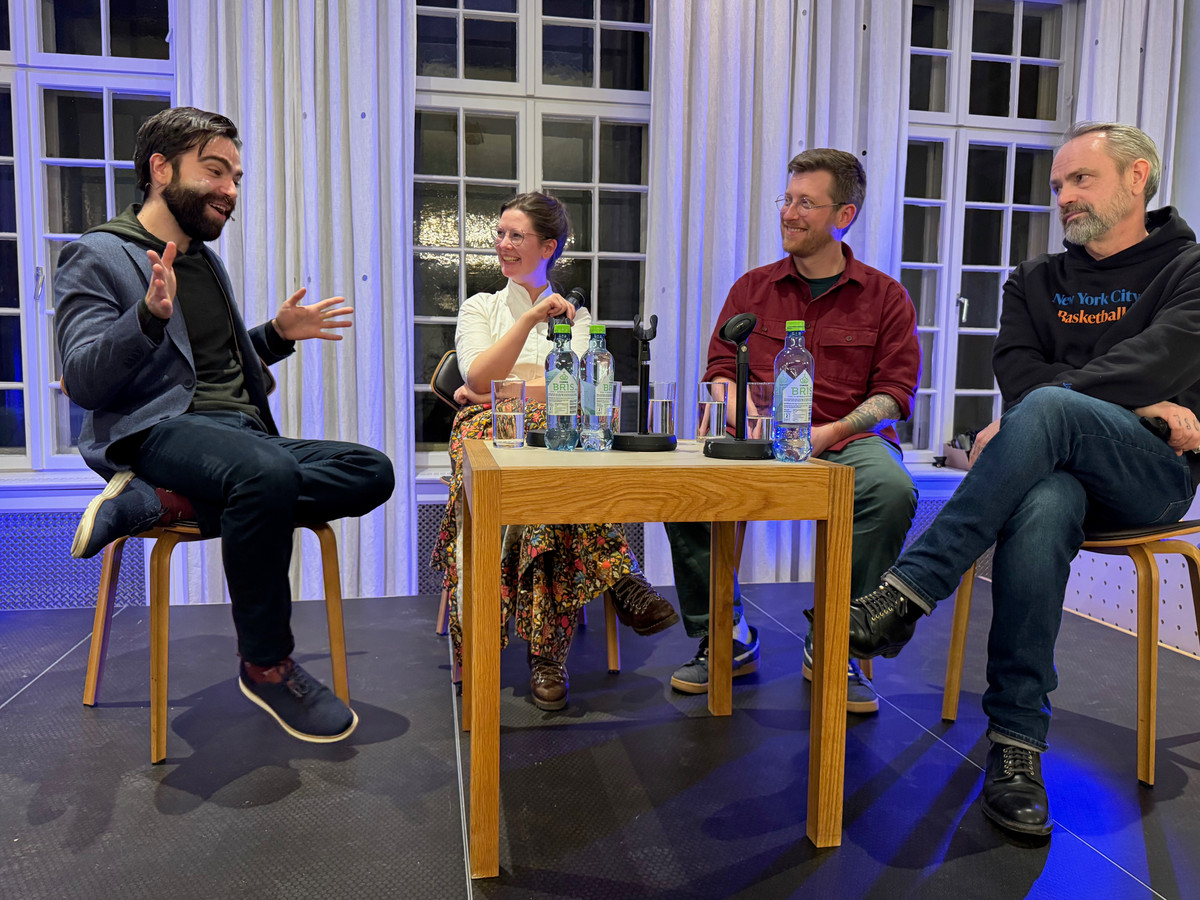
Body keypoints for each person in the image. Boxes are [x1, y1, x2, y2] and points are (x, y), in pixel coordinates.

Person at [844, 122, 1200, 838]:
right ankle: (1016, 748)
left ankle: (909, 590)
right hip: (1051, 471)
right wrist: (1132, 402)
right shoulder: (1035, 280)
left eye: (1080, 179)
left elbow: (1158, 359)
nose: (1063, 196)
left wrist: (1077, 403)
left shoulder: (1188, 268)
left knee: (1049, 410)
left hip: (1150, 475)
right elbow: (1017, 374)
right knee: (1045, 499)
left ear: (1137, 178)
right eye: (1058, 184)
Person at [55, 107, 395, 744]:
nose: (230, 189)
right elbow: (83, 380)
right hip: (162, 430)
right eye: (215, 171)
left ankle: (162, 500)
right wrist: (146, 317)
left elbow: (205, 363)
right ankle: (266, 666)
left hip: (241, 436)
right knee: (263, 474)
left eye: (236, 177)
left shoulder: (206, 263)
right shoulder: (96, 255)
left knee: (371, 470)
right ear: (161, 169)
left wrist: (274, 336)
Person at [666, 149, 920, 716]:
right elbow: (718, 370)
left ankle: (836, 639)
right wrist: (739, 408)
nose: (788, 212)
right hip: (757, 442)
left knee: (891, 490)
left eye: (807, 203)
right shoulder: (752, 289)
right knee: (684, 484)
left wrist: (832, 432)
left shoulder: (886, 297)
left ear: (844, 215)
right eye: (787, 199)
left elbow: (893, 395)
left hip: (847, 442)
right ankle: (725, 633)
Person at [431, 191, 678, 711]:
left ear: (548, 247)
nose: (502, 244)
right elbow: (481, 376)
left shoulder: (578, 318)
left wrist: (501, 390)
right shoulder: (481, 308)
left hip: (551, 443)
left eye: (515, 235)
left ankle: (549, 653)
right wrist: (527, 327)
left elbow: (581, 394)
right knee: (554, 472)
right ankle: (617, 580)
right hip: (486, 436)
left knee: (548, 497)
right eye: (500, 234)